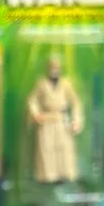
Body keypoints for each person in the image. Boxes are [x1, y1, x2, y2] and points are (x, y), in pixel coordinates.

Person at [26, 56, 83, 184]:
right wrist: (36, 114)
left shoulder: (66, 84)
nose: (54, 68)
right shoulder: (41, 83)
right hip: (46, 120)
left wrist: (76, 120)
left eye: (56, 66)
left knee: (64, 147)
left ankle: (65, 174)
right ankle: (48, 176)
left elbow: (76, 102)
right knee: (46, 148)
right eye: (52, 65)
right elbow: (32, 100)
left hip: (62, 120)